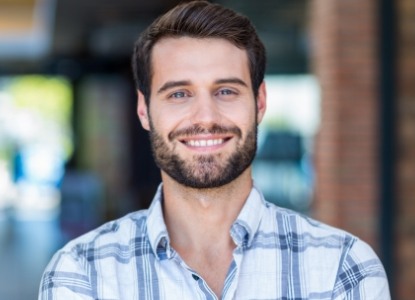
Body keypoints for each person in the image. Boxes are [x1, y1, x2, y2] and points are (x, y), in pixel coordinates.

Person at [39, 1, 390, 299]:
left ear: (260, 102)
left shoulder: (343, 269)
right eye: (179, 94)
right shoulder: (83, 273)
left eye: (226, 91)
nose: (205, 118)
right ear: (144, 110)